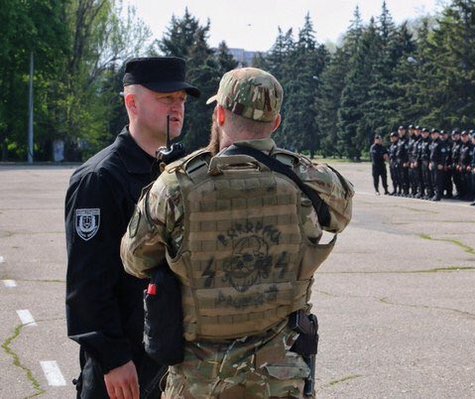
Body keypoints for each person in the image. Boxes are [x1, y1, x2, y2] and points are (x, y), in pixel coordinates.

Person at [120, 67, 354, 398]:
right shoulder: (311, 181)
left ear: (219, 114)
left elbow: (134, 260)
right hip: (279, 379)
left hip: (199, 381)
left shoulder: (176, 185)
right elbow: (341, 215)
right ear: (275, 123)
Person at [65, 57, 200, 399]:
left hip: (172, 359)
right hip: (125, 368)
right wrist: (112, 358)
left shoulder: (178, 174)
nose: (177, 108)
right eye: (166, 98)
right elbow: (88, 283)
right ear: (132, 102)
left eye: (181, 100)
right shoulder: (100, 178)